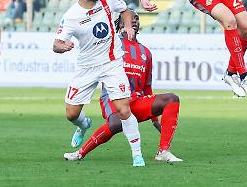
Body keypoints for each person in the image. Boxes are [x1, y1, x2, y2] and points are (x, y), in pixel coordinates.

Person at [55, 0, 145, 167]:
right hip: (87, 67)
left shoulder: (108, 0)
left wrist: (128, 26)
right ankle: (83, 125)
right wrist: (63, 47)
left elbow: (126, 11)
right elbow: (56, 44)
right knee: (71, 113)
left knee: (123, 109)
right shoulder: (71, 16)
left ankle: (137, 155)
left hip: (112, 63)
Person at [76, 10, 182, 163]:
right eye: (130, 18)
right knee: (116, 123)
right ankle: (80, 152)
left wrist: (154, 119)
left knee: (172, 98)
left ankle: (163, 151)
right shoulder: (111, 45)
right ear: (120, 24)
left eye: (137, 18)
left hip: (136, 100)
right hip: (113, 98)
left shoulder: (146, 52)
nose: (134, 20)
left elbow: (147, 87)